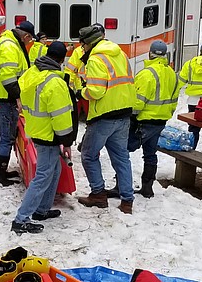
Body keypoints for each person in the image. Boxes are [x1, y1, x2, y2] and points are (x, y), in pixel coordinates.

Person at [11, 41, 76, 234]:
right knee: (42, 176)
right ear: (62, 59)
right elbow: (61, 115)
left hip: (37, 129)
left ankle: (42, 210)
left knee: (54, 171)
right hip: (48, 135)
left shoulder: (33, 72)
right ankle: (21, 218)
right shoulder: (55, 83)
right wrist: (66, 141)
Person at [74, 25, 137, 214]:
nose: (82, 48)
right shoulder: (120, 53)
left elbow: (96, 90)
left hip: (104, 115)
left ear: (88, 43)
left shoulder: (95, 59)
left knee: (88, 154)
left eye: (83, 44)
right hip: (124, 112)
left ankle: (98, 194)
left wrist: (80, 92)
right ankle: (127, 201)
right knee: (121, 157)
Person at [0, 20, 37, 186]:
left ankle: (1, 170)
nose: (30, 43)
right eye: (30, 39)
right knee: (6, 138)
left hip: (2, 98)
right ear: (26, 36)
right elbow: (8, 78)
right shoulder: (10, 47)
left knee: (8, 137)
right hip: (4, 99)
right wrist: (18, 97)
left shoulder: (7, 43)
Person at [129, 40, 180, 198]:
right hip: (160, 122)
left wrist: (131, 115)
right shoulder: (172, 73)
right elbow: (175, 99)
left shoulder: (147, 74)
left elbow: (138, 102)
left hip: (144, 121)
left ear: (150, 53)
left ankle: (121, 184)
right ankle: (147, 187)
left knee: (122, 150)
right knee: (150, 154)